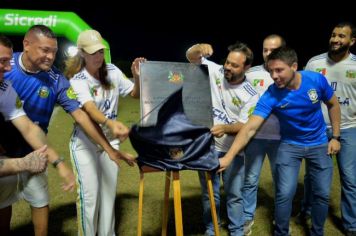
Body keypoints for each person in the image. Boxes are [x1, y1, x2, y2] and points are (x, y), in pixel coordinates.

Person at [0, 25, 134, 236]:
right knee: (3, 205)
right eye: (45, 50)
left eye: (53, 51)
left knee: (40, 203)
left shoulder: (57, 80)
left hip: (36, 152)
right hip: (4, 153)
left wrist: (106, 147)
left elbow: (81, 114)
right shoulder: (6, 66)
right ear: (26, 45)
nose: (51, 56)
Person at [219, 46, 341, 236]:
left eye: (279, 70)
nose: (274, 76)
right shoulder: (272, 94)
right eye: (270, 71)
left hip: (319, 144)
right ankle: (281, 232)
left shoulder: (315, 80)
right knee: (284, 195)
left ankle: (318, 232)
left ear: (294, 66)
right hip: (290, 145)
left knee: (322, 195)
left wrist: (335, 137)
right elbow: (250, 127)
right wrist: (228, 157)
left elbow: (333, 104)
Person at [63, 29, 141, 235]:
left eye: (100, 51)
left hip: (111, 141)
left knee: (108, 197)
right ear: (81, 53)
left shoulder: (113, 71)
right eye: (92, 52)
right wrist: (109, 122)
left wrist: (137, 78)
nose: (98, 56)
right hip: (85, 144)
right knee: (90, 198)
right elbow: (89, 109)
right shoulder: (77, 79)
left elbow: (134, 93)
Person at [0, 33, 76, 235]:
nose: (8, 68)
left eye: (8, 62)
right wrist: (23, 164)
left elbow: (28, 127)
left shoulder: (5, 89)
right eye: (2, 61)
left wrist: (58, 162)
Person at [186, 41, 259, 236]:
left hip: (233, 150)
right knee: (209, 194)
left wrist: (226, 128)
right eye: (227, 62)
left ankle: (236, 231)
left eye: (235, 65)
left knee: (234, 195)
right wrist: (199, 47)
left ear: (246, 67)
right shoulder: (216, 71)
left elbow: (246, 126)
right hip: (207, 147)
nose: (228, 67)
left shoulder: (250, 95)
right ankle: (212, 229)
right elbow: (191, 56)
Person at [300, 22, 356, 236]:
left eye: (342, 36)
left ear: (352, 41)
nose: (335, 39)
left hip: (349, 128)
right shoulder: (315, 63)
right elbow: (304, 92)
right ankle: (306, 210)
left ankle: (351, 224)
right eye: (333, 35)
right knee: (312, 175)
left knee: (350, 178)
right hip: (317, 129)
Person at [243, 34, 286, 234]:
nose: (268, 53)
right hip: (256, 138)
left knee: (281, 180)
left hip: (281, 138)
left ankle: (280, 219)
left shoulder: (288, 73)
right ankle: (246, 218)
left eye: (273, 50)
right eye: (265, 49)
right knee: (250, 179)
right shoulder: (250, 73)